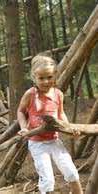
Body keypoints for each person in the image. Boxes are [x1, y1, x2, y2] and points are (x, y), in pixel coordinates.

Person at [17, 55, 83, 194]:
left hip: (54, 140)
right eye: (41, 78)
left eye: (49, 77)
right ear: (34, 77)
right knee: (47, 180)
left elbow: (61, 114)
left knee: (71, 172)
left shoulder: (58, 94)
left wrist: (69, 129)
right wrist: (24, 128)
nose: (46, 81)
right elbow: (21, 111)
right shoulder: (31, 94)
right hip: (37, 143)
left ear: (55, 75)